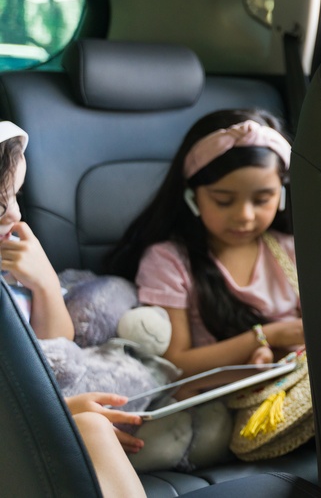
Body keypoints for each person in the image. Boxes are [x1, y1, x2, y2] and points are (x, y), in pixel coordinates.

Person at [0, 121, 147, 498]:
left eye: (15, 196)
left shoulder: (10, 268)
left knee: (90, 428)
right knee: (90, 429)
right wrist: (56, 410)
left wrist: (44, 283)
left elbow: (55, 347)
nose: (13, 217)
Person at [107, 109, 303, 379]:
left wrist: (274, 353)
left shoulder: (294, 251)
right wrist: (267, 336)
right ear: (192, 196)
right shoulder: (169, 261)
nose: (244, 216)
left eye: (261, 200)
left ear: (280, 195)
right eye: (223, 200)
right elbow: (175, 364)